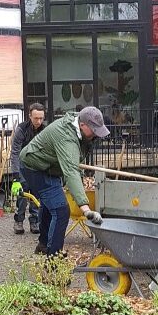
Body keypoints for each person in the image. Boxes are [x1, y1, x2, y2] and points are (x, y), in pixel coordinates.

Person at [19, 106, 108, 256]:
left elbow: (74, 162)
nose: (96, 134)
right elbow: (71, 170)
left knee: (50, 205)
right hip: (33, 167)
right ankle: (53, 261)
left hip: (50, 167)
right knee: (61, 210)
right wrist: (86, 209)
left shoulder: (80, 130)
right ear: (82, 125)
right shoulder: (66, 136)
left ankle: (43, 245)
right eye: (94, 130)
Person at [10, 103, 46, 235]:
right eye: (36, 118)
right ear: (30, 116)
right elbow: (14, 153)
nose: (39, 121)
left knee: (36, 193)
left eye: (41, 118)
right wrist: (15, 177)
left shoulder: (45, 130)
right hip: (23, 164)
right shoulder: (22, 129)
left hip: (37, 166)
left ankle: (34, 221)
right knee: (22, 193)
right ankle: (19, 221)